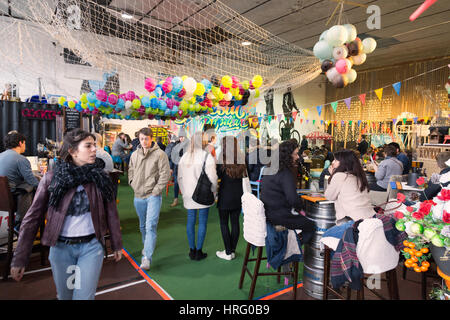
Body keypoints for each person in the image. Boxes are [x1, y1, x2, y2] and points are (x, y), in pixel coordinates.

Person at [10, 129, 123, 300]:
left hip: (91, 247)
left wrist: (116, 243)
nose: (94, 149)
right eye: (88, 146)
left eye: (94, 145)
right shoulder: (52, 179)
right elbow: (33, 218)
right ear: (72, 151)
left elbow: (111, 212)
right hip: (61, 249)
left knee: (84, 297)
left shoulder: (101, 177)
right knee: (65, 296)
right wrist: (20, 257)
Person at [128, 128, 171, 270]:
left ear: (151, 138)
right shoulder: (134, 155)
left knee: (150, 225)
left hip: (153, 196)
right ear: (139, 139)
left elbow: (165, 175)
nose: (144, 141)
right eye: (141, 139)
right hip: (138, 195)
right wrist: (132, 183)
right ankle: (146, 245)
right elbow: (131, 170)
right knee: (142, 225)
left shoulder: (160, 155)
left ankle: (146, 257)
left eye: (147, 138)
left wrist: (156, 191)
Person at [259, 140, 315, 243]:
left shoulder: (271, 167)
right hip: (279, 216)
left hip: (268, 213)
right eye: (295, 154)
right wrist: (302, 209)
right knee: (311, 225)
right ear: (287, 156)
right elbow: (292, 199)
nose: (298, 157)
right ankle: (292, 248)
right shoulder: (285, 173)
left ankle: (290, 246)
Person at [178, 132, 218, 261]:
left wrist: (184, 192)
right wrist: (214, 191)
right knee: (202, 222)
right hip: (203, 193)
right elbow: (213, 177)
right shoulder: (207, 157)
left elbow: (179, 177)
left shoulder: (184, 157)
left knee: (190, 221)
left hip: (188, 194)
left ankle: (192, 250)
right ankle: (199, 251)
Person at [322, 150, 376, 241]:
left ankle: (339, 255)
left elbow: (329, 196)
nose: (332, 162)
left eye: (335, 160)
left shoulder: (339, 176)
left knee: (326, 237)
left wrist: (332, 175)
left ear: (343, 162)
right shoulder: (359, 176)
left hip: (353, 223)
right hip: (370, 219)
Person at [0, 131, 40, 231]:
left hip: (2, 197)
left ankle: (23, 223)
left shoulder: (1, 155)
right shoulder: (21, 159)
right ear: (20, 143)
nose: (24, 146)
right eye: (24, 143)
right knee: (29, 188)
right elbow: (32, 181)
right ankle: (22, 223)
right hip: (11, 198)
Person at [215, 136, 246, 261]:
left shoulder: (221, 160)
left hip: (225, 195)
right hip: (238, 195)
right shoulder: (242, 159)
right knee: (235, 223)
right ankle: (232, 250)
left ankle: (228, 252)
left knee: (223, 223)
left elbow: (216, 175)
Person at [166, 129, 187, 207]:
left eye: (183, 137)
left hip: (185, 168)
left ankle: (186, 199)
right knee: (176, 184)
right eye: (180, 137)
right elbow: (172, 157)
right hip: (176, 167)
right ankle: (176, 199)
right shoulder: (175, 145)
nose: (181, 138)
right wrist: (171, 168)